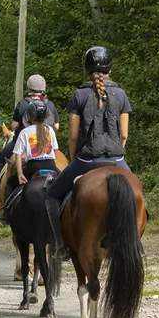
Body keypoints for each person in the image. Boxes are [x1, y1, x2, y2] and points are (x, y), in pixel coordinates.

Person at [44, 46, 130, 245]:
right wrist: (116, 152)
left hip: (87, 159)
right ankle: (136, 241)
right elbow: (124, 134)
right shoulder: (121, 94)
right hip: (116, 158)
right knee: (136, 193)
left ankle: (60, 244)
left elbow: (73, 136)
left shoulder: (79, 95)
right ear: (110, 68)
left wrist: (75, 158)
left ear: (87, 69)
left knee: (52, 195)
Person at [0, 74, 57, 200]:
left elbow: (14, 126)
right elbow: (56, 126)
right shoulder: (50, 105)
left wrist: (20, 173)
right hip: (49, 157)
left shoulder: (23, 104)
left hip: (26, 151)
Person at [0, 100, 59, 223]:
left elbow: (18, 155)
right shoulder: (50, 130)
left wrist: (20, 174)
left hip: (33, 166)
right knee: (65, 183)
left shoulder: (25, 132)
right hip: (51, 165)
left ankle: (5, 213)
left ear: (29, 116)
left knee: (10, 182)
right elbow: (54, 150)